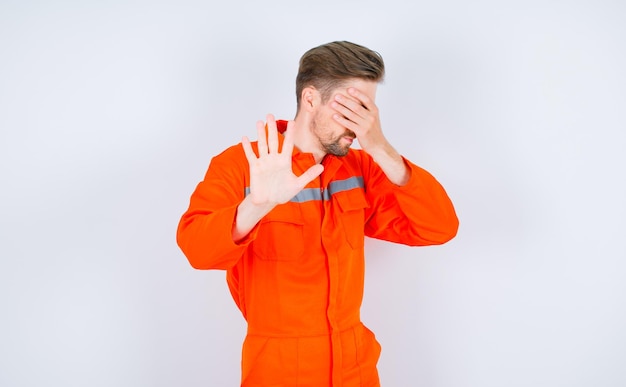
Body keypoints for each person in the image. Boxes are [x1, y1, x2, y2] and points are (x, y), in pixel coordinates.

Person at [176, 41, 459, 387]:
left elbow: (439, 227)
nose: (360, 126)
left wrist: (381, 148)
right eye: (351, 109)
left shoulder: (360, 169)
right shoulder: (244, 165)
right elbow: (196, 249)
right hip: (278, 372)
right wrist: (257, 205)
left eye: (367, 111)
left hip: (356, 369)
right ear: (310, 100)